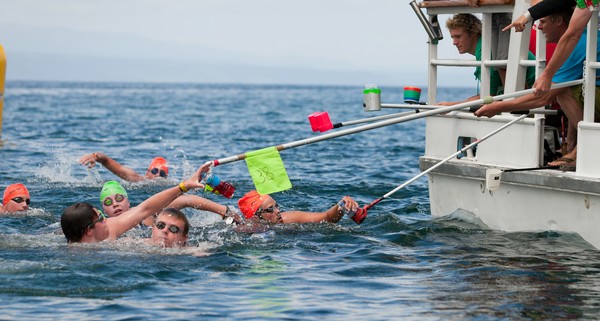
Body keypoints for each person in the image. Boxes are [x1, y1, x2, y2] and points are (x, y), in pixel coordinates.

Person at [475, 7, 600, 168]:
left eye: (542, 22)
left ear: (559, 21)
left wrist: (499, 106)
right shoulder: (585, 39)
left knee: (563, 91)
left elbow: (544, 96)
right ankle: (575, 147)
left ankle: (587, 146)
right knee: (568, 87)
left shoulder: (577, 46)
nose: (539, 27)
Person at [60, 164, 206, 244]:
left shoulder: (110, 232)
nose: (106, 220)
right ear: (88, 231)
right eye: (101, 219)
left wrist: (184, 186)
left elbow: (145, 208)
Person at [437, 14, 536, 106]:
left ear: (473, 33)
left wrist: (452, 105)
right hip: (530, 92)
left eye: (458, 36)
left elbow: (489, 96)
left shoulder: (485, 50)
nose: (454, 42)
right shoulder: (484, 46)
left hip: (534, 95)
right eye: (452, 37)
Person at [99, 180, 241, 226]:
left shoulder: (145, 214)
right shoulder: (103, 227)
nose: (115, 204)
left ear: (128, 202)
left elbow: (187, 200)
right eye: (108, 202)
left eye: (119, 198)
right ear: (104, 210)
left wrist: (225, 211)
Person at [236, 190, 360, 225]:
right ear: (255, 216)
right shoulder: (242, 230)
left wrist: (341, 206)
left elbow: (327, 217)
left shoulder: (287, 219)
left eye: (277, 207)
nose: (278, 211)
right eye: (270, 209)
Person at [79, 152, 169, 182]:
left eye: (162, 173)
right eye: (154, 171)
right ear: (147, 172)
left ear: (165, 177)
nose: (157, 174)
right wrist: (95, 156)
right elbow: (106, 160)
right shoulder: (137, 179)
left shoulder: (168, 185)